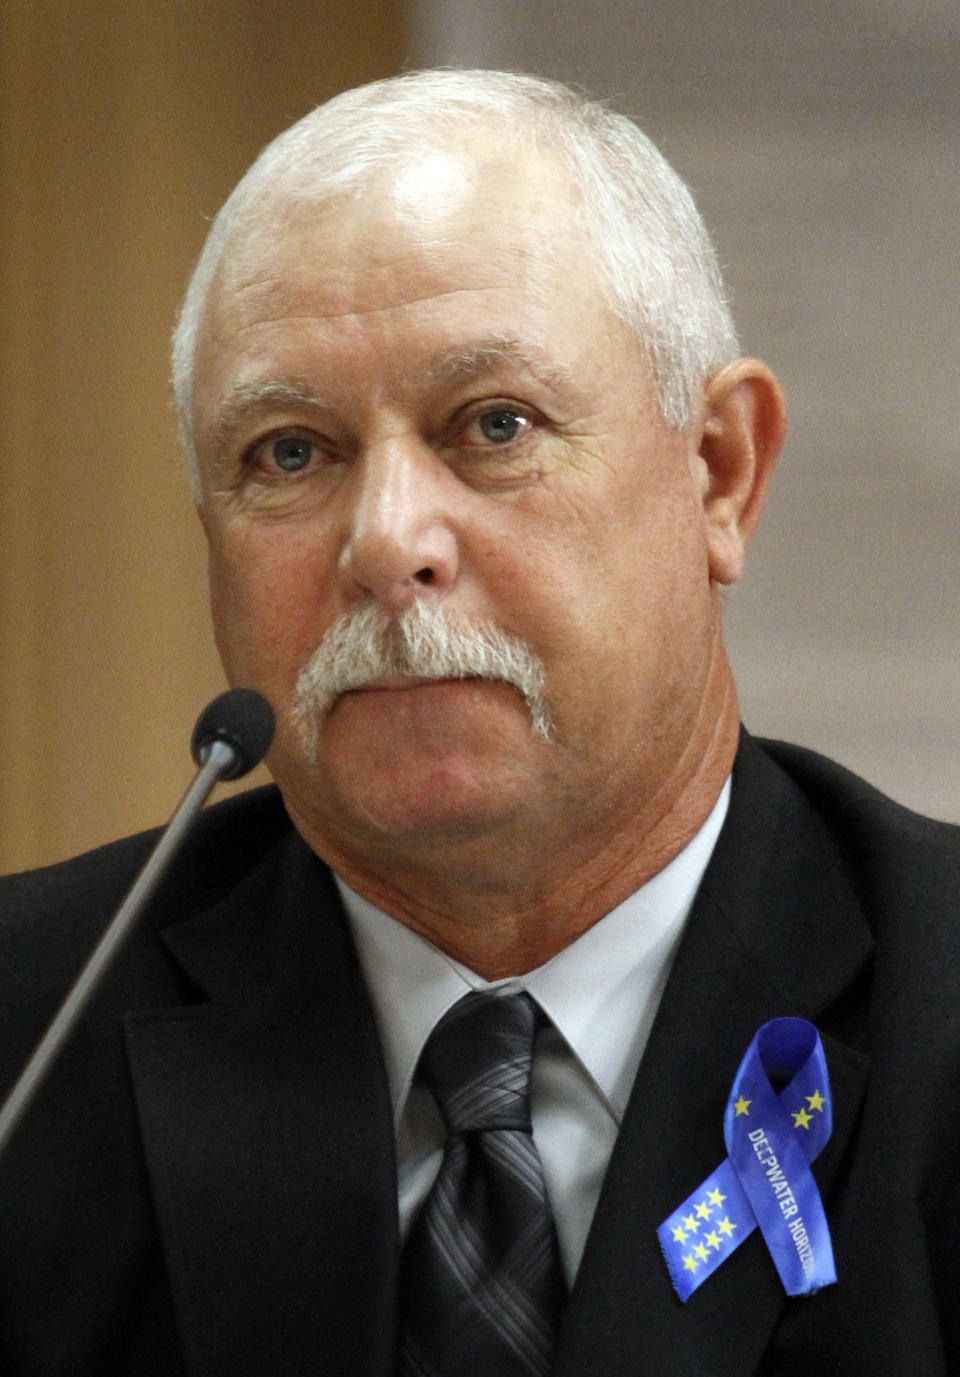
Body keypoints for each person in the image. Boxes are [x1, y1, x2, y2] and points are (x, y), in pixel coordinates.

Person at [1, 68, 958, 1377]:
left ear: (719, 472)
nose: (388, 541)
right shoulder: (28, 1048)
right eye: (290, 452)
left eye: (494, 424)